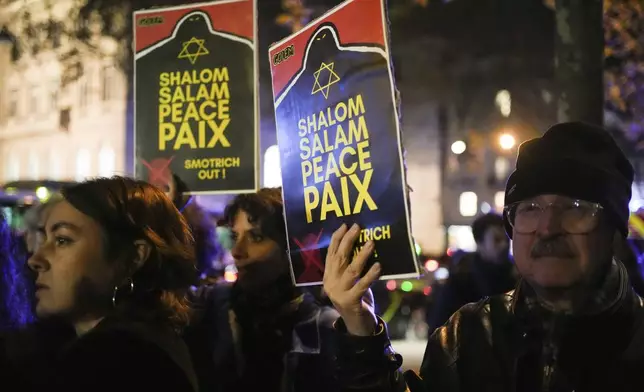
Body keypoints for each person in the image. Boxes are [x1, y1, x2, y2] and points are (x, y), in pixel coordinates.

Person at [324, 122, 644, 391]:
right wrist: (360, 328)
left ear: (614, 230)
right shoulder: (469, 334)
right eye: (529, 208)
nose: (547, 227)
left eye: (575, 208)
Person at [26, 177, 199, 392]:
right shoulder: (152, 344)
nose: (36, 260)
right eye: (44, 240)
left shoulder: (114, 360)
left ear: (133, 258)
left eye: (63, 240)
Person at [184, 188, 340, 392]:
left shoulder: (325, 325)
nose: (237, 251)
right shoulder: (212, 304)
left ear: (291, 249)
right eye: (234, 236)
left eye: (255, 237)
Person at [428, 213, 516, 331]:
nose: (504, 245)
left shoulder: (518, 277)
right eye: (497, 240)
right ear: (479, 243)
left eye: (507, 239)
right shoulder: (461, 281)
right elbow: (440, 328)